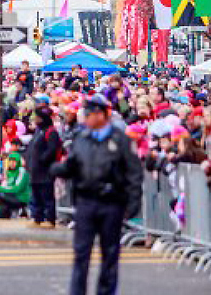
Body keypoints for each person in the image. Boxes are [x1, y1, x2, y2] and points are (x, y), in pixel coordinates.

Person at [51, 93, 143, 295]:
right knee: (81, 253)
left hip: (111, 202)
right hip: (85, 201)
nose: (86, 117)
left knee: (109, 253)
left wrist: (133, 202)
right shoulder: (81, 138)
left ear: (101, 115)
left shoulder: (120, 140)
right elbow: (73, 164)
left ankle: (106, 291)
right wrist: (58, 168)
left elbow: (134, 172)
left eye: (90, 113)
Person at [27, 106, 63, 227]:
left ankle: (49, 218)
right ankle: (37, 217)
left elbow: (52, 149)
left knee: (47, 195)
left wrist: (43, 159)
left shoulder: (51, 131)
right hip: (35, 170)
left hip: (45, 170)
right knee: (36, 195)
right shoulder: (39, 131)